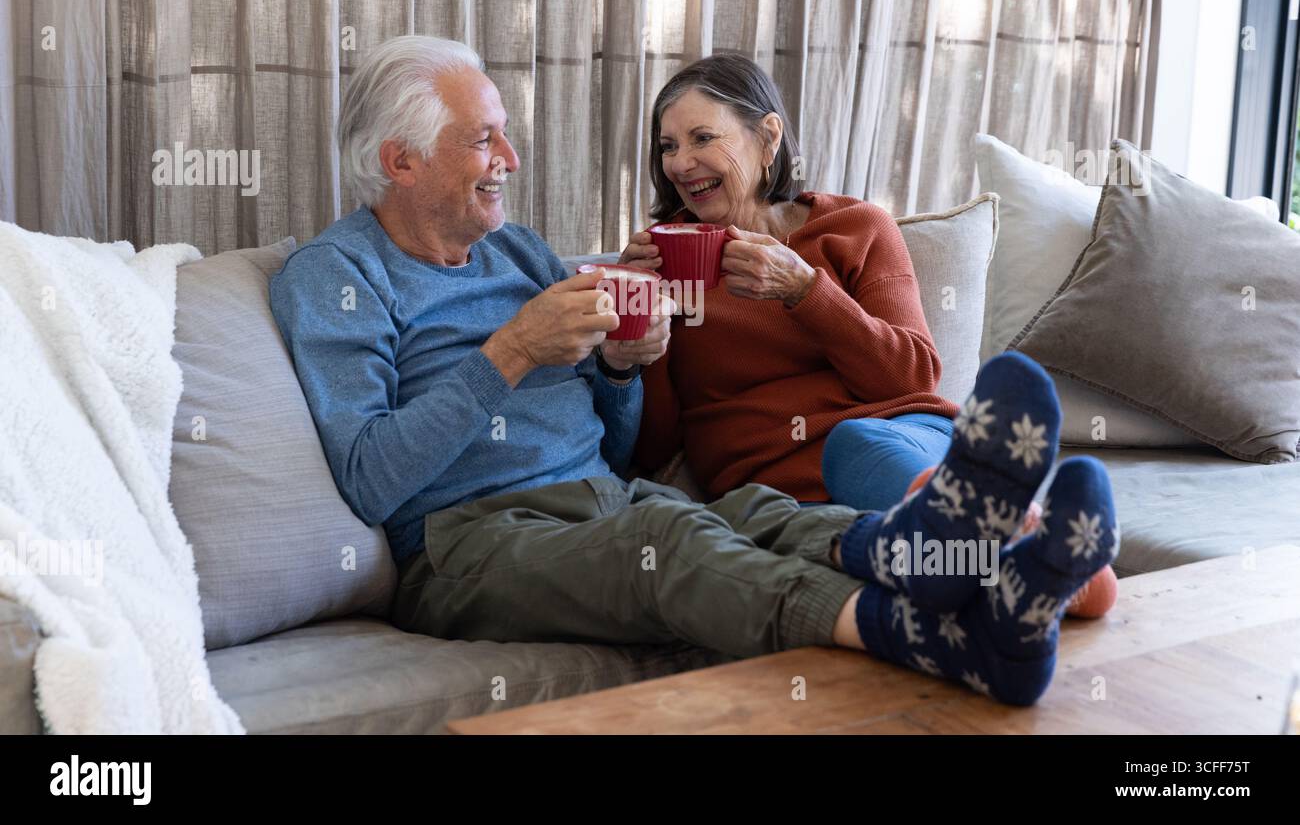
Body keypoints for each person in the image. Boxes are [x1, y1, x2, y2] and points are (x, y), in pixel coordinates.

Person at [269, 35, 1117, 707]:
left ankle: (964, 573)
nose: (511, 158)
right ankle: (939, 634)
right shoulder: (335, 277)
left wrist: (625, 368)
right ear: (401, 160)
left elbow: (619, 441)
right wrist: (515, 348)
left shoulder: (519, 253)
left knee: (760, 515)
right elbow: (372, 480)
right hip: (470, 541)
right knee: (671, 539)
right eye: (484, 138)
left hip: (605, 497)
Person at [623, 53, 1117, 617]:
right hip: (783, 500)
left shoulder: (855, 227)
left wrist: (805, 291)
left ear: (768, 138)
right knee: (875, 563)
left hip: (899, 439)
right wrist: (635, 320)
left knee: (855, 446)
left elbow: (912, 374)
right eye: (667, 146)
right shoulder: (664, 264)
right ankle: (1033, 560)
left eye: (702, 138)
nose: (680, 163)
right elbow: (654, 447)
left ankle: (1008, 538)